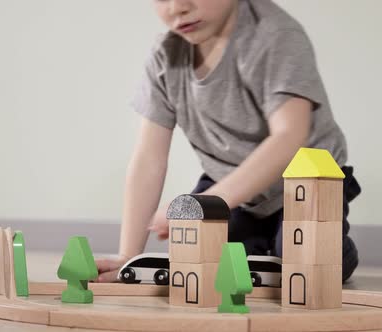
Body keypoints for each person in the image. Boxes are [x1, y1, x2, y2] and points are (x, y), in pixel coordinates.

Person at [95, 0, 360, 283]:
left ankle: (338, 251)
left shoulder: (275, 35)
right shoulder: (166, 56)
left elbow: (288, 137)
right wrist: (127, 256)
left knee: (307, 262)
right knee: (201, 259)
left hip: (306, 180)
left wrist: (205, 203)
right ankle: (259, 242)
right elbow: (149, 158)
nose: (177, 7)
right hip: (231, 183)